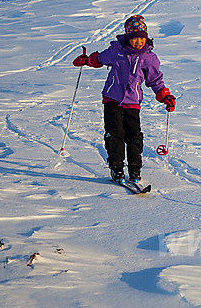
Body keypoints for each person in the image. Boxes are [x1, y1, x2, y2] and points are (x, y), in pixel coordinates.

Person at [73, 14, 175, 183]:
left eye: (141, 38)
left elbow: (155, 80)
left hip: (133, 102)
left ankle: (135, 170)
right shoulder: (116, 51)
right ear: (128, 37)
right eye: (134, 39)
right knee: (115, 134)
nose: (138, 42)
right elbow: (99, 59)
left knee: (134, 136)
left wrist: (165, 96)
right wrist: (86, 60)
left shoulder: (148, 58)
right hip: (112, 99)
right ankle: (116, 168)